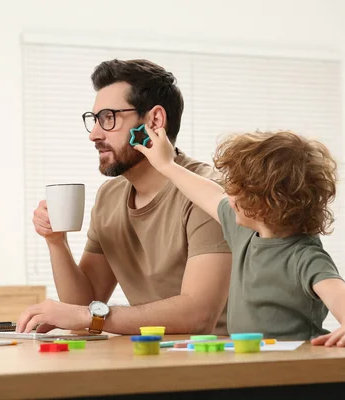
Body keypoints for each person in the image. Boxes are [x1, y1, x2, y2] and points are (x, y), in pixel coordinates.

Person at [16, 59, 232, 335]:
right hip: (149, 358)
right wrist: (56, 242)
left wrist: (86, 315)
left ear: (154, 121)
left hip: (218, 364)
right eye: (94, 120)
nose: (94, 134)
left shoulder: (207, 195)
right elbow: (84, 307)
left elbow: (198, 315)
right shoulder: (110, 197)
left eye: (109, 118)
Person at [134, 126, 345, 346]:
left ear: (264, 203)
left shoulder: (304, 256)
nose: (228, 194)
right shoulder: (244, 231)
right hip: (250, 357)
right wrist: (166, 165)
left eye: (236, 190)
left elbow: (339, 291)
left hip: (295, 364)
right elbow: (207, 193)